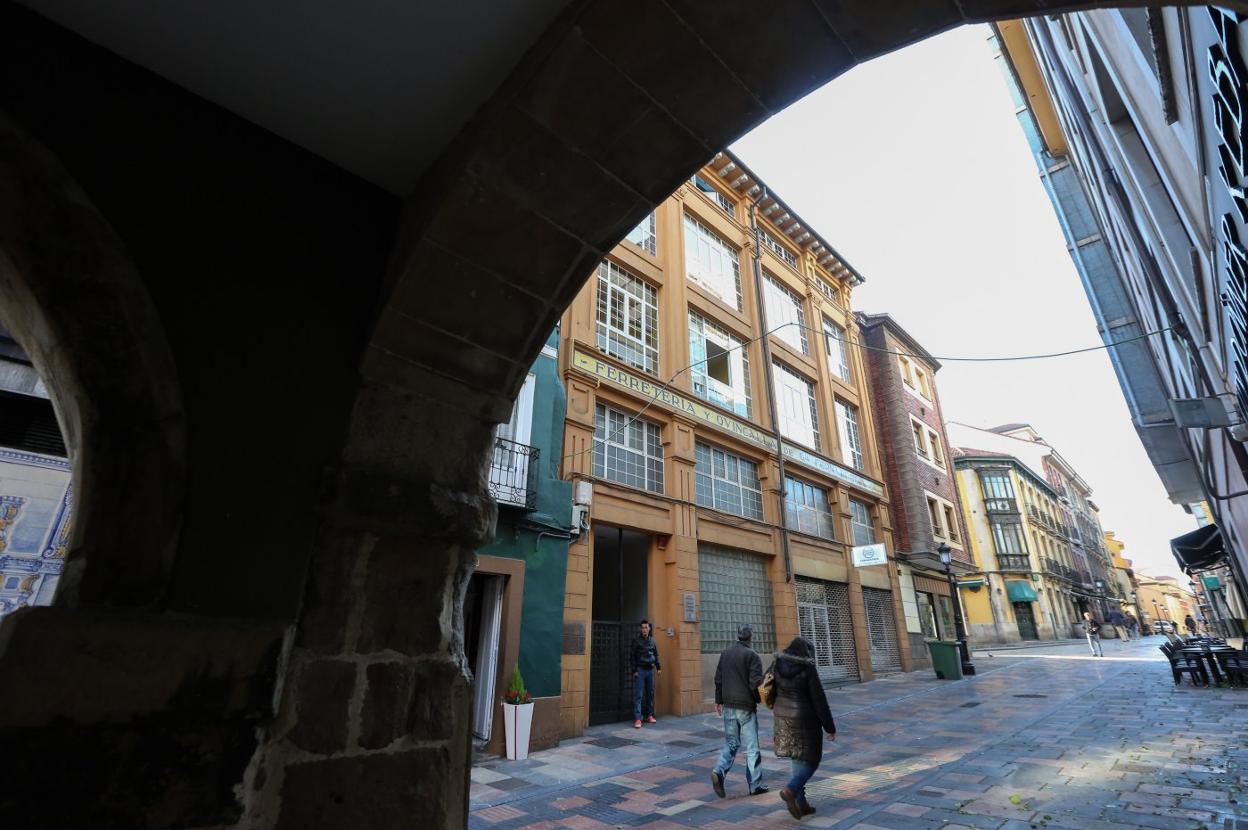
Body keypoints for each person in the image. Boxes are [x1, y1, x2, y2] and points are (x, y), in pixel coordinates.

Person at [770, 636, 836, 820]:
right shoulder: (808, 668)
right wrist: (829, 727)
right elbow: (819, 700)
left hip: (782, 716)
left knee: (797, 756)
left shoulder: (777, 664)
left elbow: (766, 687)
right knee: (812, 760)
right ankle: (790, 790)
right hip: (804, 719)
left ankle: (801, 803)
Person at [710, 624, 766, 798]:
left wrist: (719, 700)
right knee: (752, 747)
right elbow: (755, 684)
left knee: (731, 743)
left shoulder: (725, 653)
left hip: (729, 705)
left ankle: (719, 771)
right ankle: (755, 785)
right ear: (751, 637)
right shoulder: (752, 655)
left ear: (738, 636)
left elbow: (718, 679)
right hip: (746, 707)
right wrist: (759, 699)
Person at [630, 619, 661, 728]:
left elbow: (656, 655)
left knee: (650, 694)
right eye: (642, 627)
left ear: (649, 629)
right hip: (640, 670)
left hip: (650, 670)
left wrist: (658, 667)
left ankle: (649, 715)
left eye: (646, 627)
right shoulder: (636, 641)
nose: (644, 629)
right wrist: (634, 670)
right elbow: (632, 656)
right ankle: (638, 719)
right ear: (640, 629)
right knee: (639, 695)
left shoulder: (653, 641)